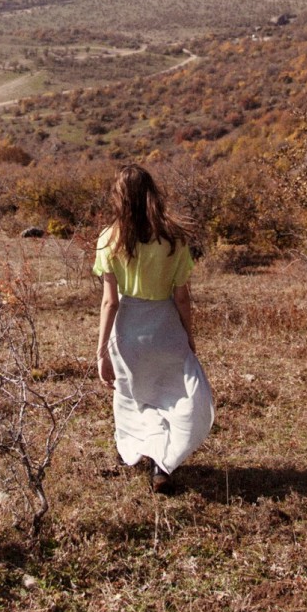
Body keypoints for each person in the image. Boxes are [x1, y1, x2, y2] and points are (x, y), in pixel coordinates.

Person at [94, 164, 214, 492]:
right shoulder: (174, 238)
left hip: (128, 330)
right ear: (152, 194)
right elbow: (183, 298)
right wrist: (189, 335)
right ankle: (164, 464)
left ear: (119, 198)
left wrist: (102, 350)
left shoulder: (109, 240)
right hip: (165, 328)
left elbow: (110, 303)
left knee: (134, 397)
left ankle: (138, 451)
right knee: (176, 395)